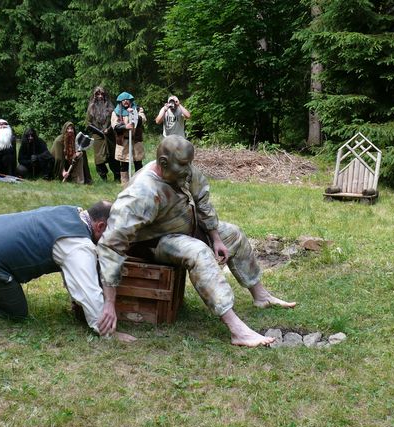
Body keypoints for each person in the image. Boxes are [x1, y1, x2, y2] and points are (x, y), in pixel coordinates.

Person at [97, 135, 296, 347]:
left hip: (185, 228)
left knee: (233, 234)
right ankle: (237, 330)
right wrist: (109, 302)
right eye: (183, 164)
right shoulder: (142, 193)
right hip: (155, 243)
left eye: (189, 163)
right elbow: (111, 244)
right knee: (198, 252)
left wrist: (216, 238)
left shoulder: (181, 170)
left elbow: (202, 199)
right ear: (163, 162)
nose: (188, 169)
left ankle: (261, 296)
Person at [0, 201, 134, 341]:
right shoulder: (77, 244)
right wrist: (108, 332)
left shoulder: (73, 212)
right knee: (16, 310)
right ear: (100, 226)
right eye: (113, 233)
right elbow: (87, 290)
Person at [111, 92, 146, 185]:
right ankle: (125, 183)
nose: (125, 101)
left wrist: (133, 114)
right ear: (120, 101)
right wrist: (125, 127)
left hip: (135, 140)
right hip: (123, 141)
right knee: (124, 163)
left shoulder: (137, 109)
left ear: (130, 100)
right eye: (123, 100)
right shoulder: (116, 112)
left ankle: (139, 182)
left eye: (127, 100)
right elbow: (114, 125)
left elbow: (143, 119)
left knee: (138, 162)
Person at [86, 86, 119, 182]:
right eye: (98, 94)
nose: (100, 96)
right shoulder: (91, 108)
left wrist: (108, 129)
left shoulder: (111, 107)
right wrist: (99, 131)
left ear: (105, 95)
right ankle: (103, 178)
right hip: (98, 137)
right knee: (99, 159)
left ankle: (117, 177)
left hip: (110, 136)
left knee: (113, 157)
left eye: (102, 94)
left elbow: (115, 121)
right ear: (94, 96)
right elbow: (88, 124)